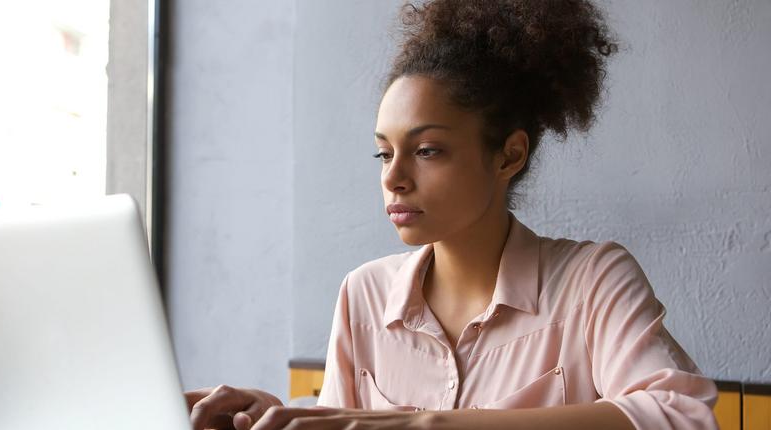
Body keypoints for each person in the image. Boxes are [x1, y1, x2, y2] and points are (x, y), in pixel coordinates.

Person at [185, 0, 720, 429]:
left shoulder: (592, 282)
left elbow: (682, 415)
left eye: (427, 150)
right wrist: (273, 414)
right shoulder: (363, 296)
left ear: (509, 155)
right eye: (383, 152)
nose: (394, 176)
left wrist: (434, 424)